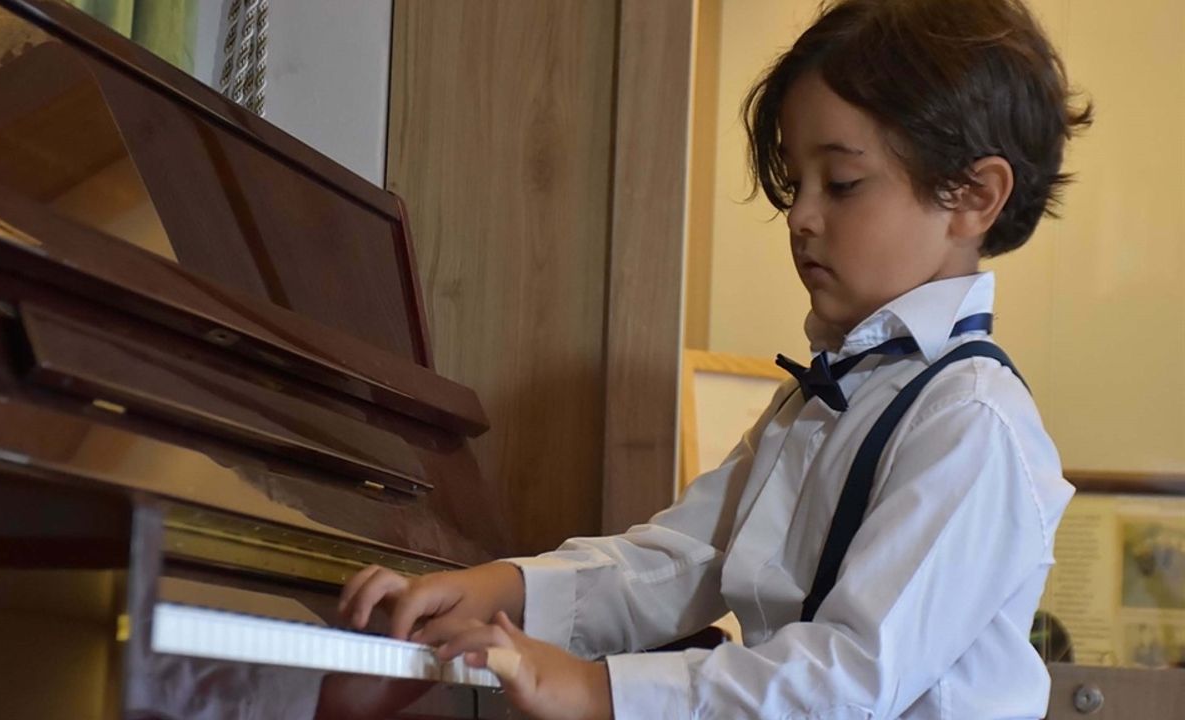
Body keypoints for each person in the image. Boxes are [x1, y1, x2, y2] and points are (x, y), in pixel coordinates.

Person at [338, 0, 1089, 717]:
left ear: (974, 196)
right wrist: (504, 591)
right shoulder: (826, 392)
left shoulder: (972, 421)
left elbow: (852, 679)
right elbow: (684, 560)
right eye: (795, 183)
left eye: (843, 183)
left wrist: (597, 692)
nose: (801, 216)